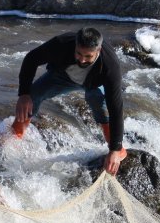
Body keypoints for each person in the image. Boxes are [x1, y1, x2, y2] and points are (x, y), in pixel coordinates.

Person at [12, 27, 127, 175]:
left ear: (97, 52)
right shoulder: (62, 43)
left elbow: (116, 108)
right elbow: (31, 59)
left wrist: (115, 150)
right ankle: (15, 137)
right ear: (75, 45)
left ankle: (117, 148)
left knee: (97, 100)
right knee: (33, 95)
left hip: (94, 82)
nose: (82, 59)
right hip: (63, 76)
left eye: (88, 56)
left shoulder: (110, 65)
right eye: (79, 53)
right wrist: (24, 94)